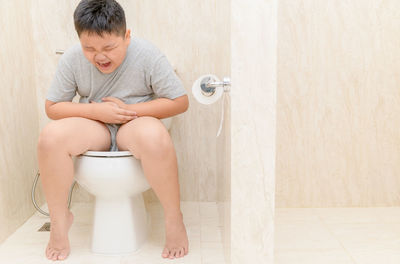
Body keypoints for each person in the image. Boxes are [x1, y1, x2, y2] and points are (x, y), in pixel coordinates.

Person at [37, 0, 189, 261]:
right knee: (50, 138)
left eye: (109, 47)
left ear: (127, 36)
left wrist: (130, 112)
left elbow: (180, 101)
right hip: (96, 127)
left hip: (136, 124)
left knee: (155, 136)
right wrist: (97, 113)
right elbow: (53, 107)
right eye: (89, 48)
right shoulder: (73, 58)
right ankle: (60, 222)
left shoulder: (147, 54)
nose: (100, 56)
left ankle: (174, 219)